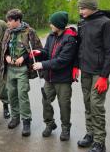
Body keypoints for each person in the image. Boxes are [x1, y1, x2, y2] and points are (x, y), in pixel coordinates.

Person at [75, 0, 110, 152]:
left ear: (92, 7)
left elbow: (109, 51)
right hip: (85, 71)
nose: (80, 11)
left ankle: (100, 142)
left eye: (83, 8)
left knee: (96, 106)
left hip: (99, 73)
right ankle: (90, 134)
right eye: (79, 8)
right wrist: (75, 66)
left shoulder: (106, 23)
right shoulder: (82, 23)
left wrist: (104, 76)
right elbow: (80, 47)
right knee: (87, 103)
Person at [32, 11, 78, 141]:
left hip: (63, 79)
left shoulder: (70, 39)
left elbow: (62, 60)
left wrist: (42, 65)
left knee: (64, 104)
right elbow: (47, 52)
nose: (50, 25)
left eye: (52, 23)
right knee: (45, 101)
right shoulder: (51, 36)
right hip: (49, 78)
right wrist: (39, 53)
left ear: (59, 24)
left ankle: (65, 128)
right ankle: (50, 124)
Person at [0, 9, 42, 136]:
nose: (8, 23)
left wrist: (24, 57)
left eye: (10, 20)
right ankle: (15, 117)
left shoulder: (29, 32)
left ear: (17, 20)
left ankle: (26, 121)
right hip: (10, 69)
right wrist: (6, 56)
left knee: (22, 93)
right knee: (11, 94)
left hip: (23, 69)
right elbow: (3, 47)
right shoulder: (8, 32)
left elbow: (37, 49)